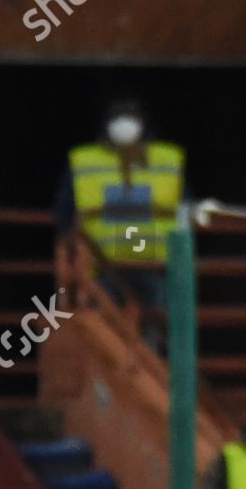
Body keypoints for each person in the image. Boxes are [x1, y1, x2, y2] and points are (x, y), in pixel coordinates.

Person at [55, 99, 183, 347]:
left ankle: (151, 375)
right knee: (104, 334)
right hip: (102, 265)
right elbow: (64, 209)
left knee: (153, 333)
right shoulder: (85, 161)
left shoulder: (167, 160)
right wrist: (69, 246)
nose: (124, 126)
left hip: (152, 265)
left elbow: (184, 208)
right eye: (119, 118)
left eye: (130, 118)